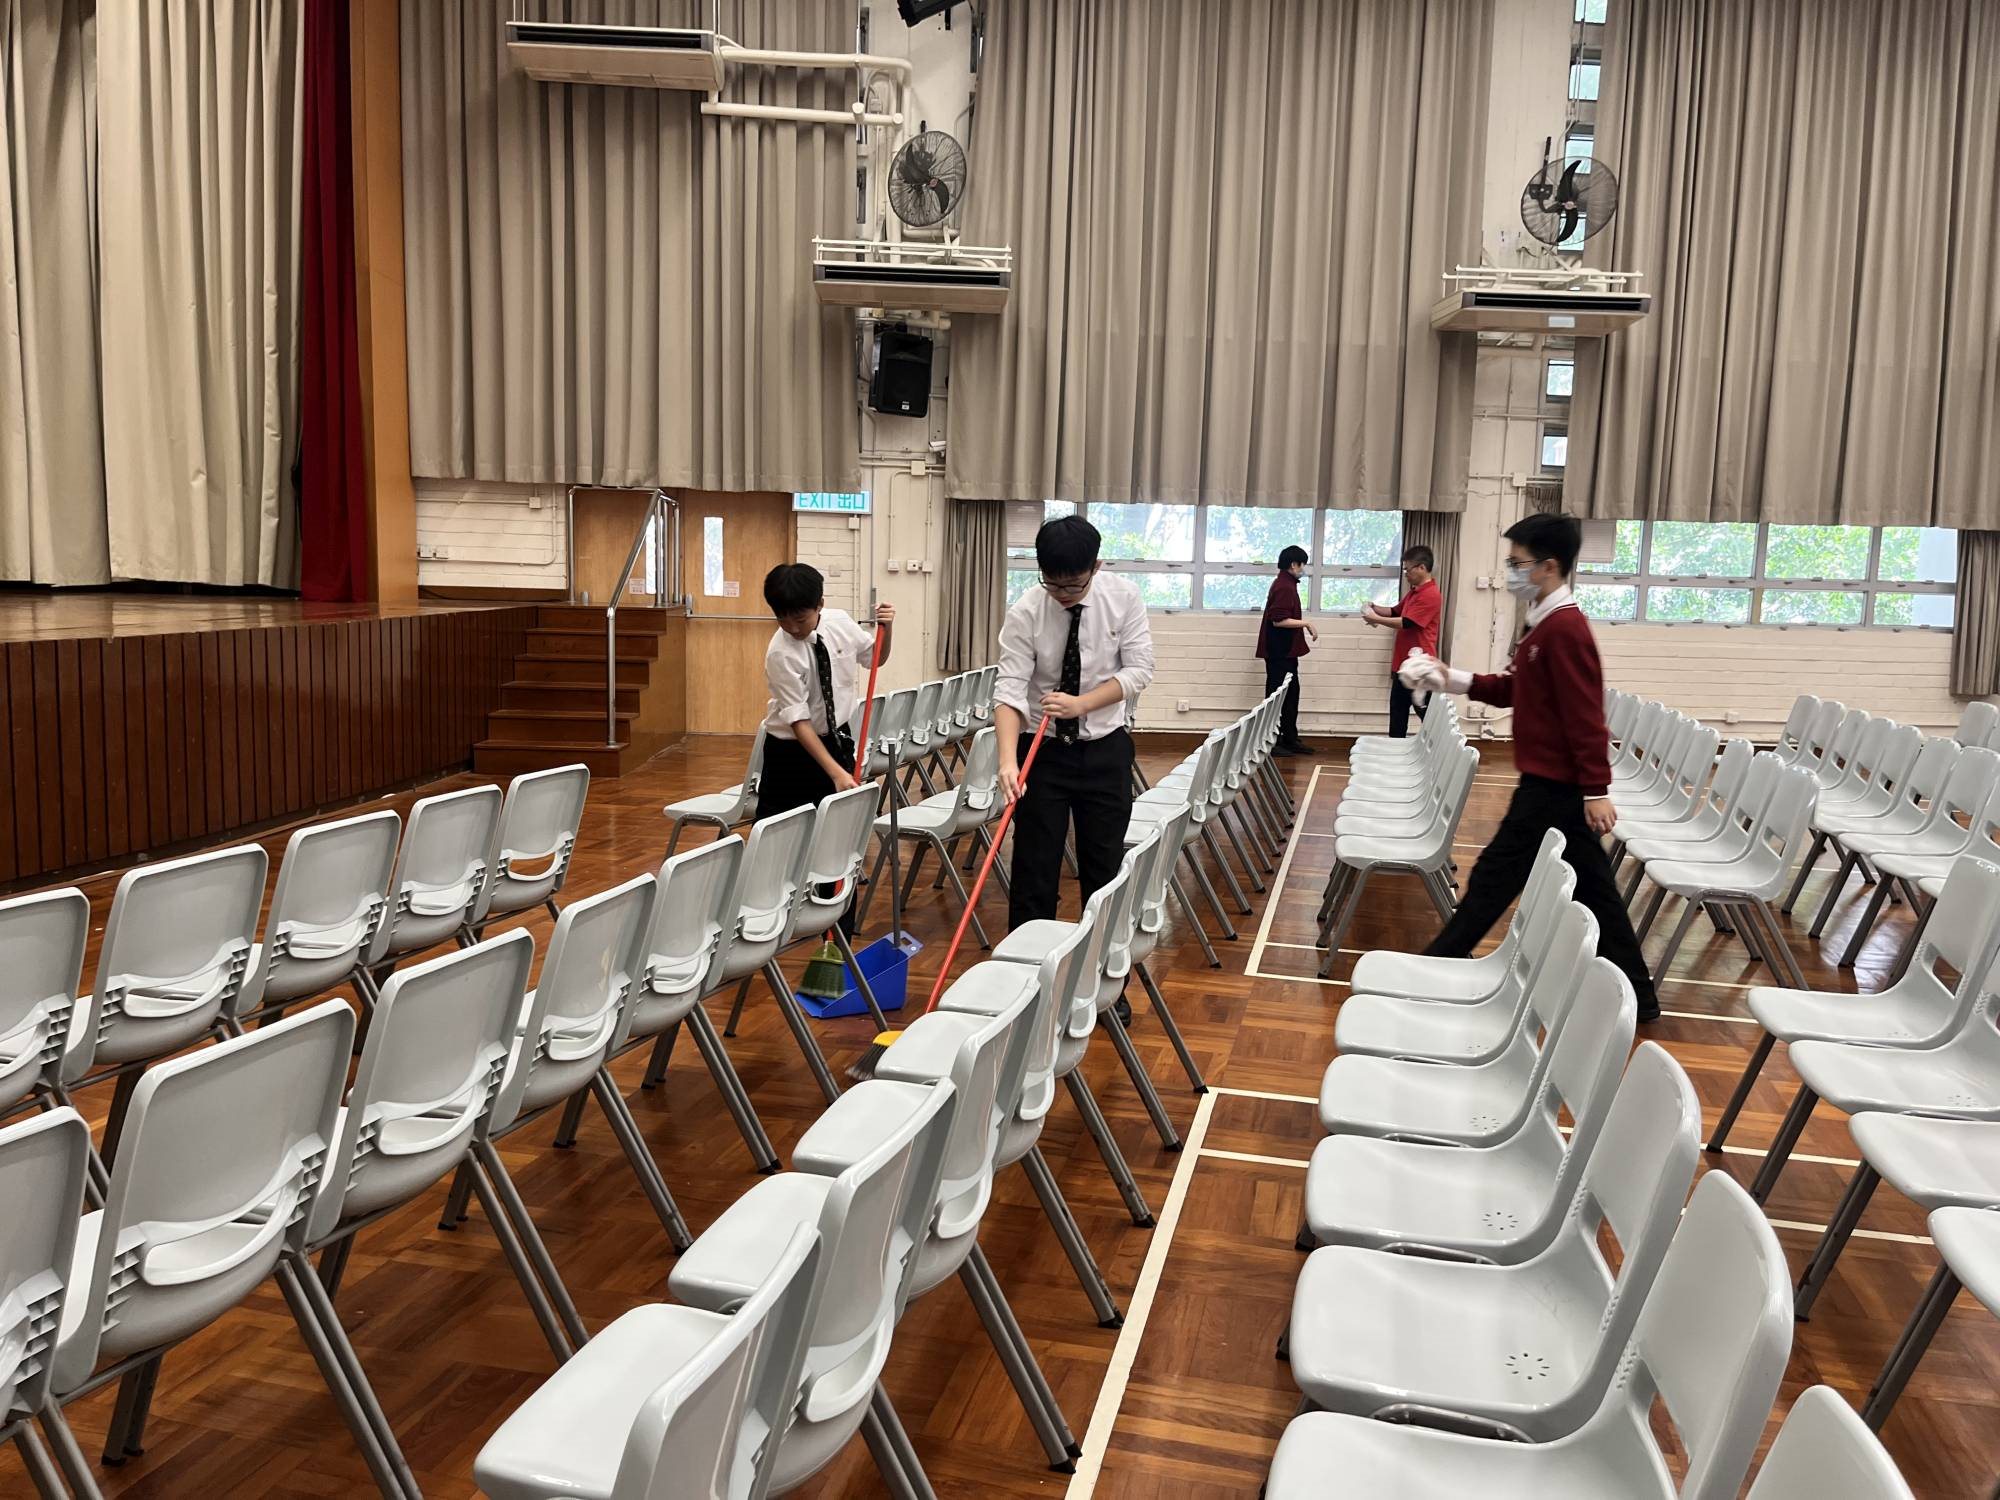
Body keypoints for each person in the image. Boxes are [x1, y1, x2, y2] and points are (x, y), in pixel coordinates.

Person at [1399, 513, 1660, 1023]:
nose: (1510, 572)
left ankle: (1441, 959)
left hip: (1556, 786)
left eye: (1517, 563)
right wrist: (1448, 678)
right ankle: (1639, 994)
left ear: (1549, 566)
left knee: (1498, 876)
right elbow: (1514, 688)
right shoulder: (1541, 622)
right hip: (1547, 782)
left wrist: (1596, 789)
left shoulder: (1566, 630)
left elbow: (1585, 715)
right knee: (1590, 889)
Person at [995, 515, 1155, 933]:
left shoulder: (1124, 597)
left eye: (1074, 585)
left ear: (1096, 567)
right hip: (1042, 751)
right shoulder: (1026, 611)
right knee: (1033, 868)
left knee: (1104, 868)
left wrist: (1081, 704)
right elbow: (1009, 690)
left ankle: (1099, 964)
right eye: (1053, 584)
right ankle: (1028, 964)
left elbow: (1139, 670)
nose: (1063, 595)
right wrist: (1008, 762)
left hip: (1105, 748)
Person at [755, 562, 894, 824]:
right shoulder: (780, 653)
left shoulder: (839, 622)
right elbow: (798, 720)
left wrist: (887, 629)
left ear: (819, 604)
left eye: (800, 620)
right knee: (784, 828)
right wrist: (836, 773)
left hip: (837, 738)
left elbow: (876, 659)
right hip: (791, 751)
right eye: (782, 620)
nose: (793, 628)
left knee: (832, 825)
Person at [1362, 544, 1442, 738]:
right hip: (1403, 665)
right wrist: (1374, 607)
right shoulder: (1414, 592)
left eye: (1408, 569)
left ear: (1422, 568)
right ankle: (1395, 748)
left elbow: (1407, 622)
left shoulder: (1431, 595)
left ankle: (1439, 751)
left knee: (1427, 715)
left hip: (1420, 667)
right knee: (1397, 713)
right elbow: (1394, 611)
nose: (1406, 574)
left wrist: (1375, 619)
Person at [1256, 544, 1317, 755]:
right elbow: (1278, 620)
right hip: (1278, 652)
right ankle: (1271, 742)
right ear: (1293, 564)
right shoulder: (1284, 586)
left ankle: (1289, 738)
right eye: (1302, 565)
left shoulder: (1287, 583)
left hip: (1286, 651)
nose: (1303, 569)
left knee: (1291, 696)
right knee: (1277, 698)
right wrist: (1306, 623)